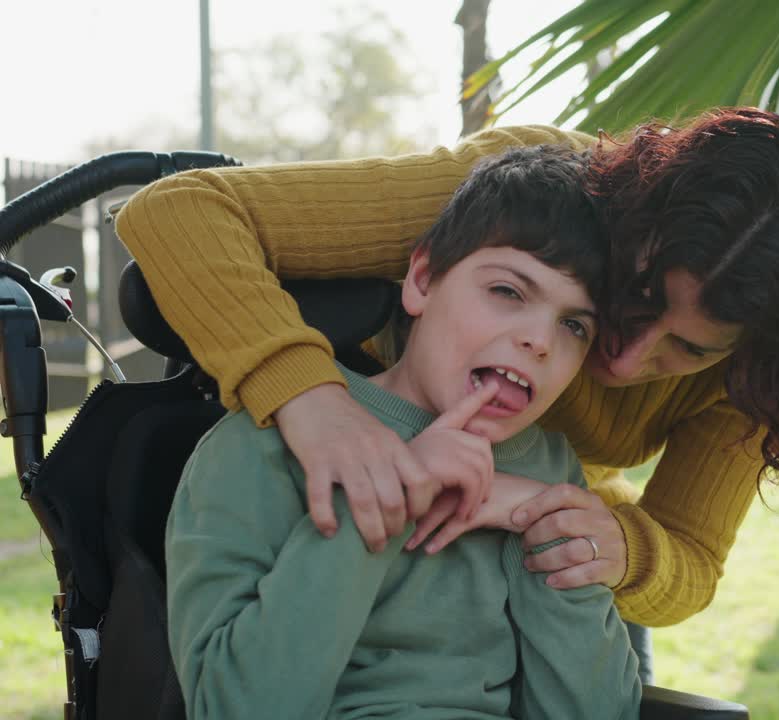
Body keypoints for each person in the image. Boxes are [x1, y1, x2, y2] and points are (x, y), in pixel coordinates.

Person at [120, 107, 779, 674]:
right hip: (344, 513)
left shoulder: (756, 372)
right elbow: (181, 211)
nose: (627, 359)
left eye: (688, 350)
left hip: (531, 567)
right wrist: (314, 402)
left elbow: (690, 561)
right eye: (636, 300)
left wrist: (609, 540)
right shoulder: (534, 195)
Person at [164, 146, 642, 720]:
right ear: (422, 279)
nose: (540, 341)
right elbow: (234, 708)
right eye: (508, 292)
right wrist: (393, 488)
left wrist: (544, 526)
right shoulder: (262, 445)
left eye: (574, 325)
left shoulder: (546, 469)